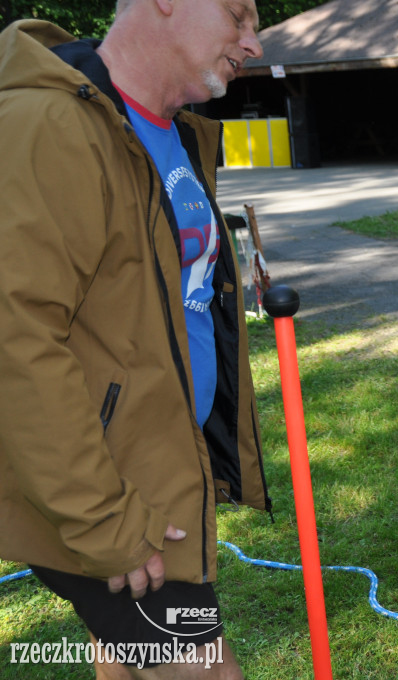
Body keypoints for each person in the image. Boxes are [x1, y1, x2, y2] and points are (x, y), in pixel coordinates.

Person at [0, 2, 267, 678]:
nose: (254, 43)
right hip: (104, 492)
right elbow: (15, 339)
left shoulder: (170, 133)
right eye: (238, 16)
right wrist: (102, 522)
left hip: (153, 472)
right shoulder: (52, 125)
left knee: (124, 659)